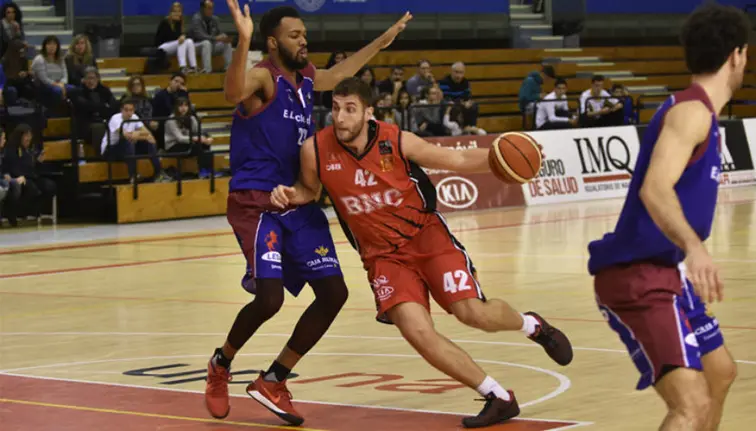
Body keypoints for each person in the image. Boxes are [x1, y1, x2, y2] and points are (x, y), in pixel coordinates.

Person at [270, 77, 573, 429]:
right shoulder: (316, 150)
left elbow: (457, 158)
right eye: (336, 108)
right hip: (383, 257)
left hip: (427, 239)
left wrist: (504, 158)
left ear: (368, 113)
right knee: (417, 332)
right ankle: (497, 396)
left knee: (473, 313)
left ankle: (533, 326)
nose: (340, 117)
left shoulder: (397, 140)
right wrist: (290, 195)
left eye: (350, 109)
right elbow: (309, 189)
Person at [204, 1, 410, 425]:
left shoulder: (305, 80)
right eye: (295, 35)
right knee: (269, 299)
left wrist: (382, 41)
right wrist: (242, 40)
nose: (304, 40)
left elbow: (338, 74)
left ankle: (273, 379)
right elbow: (232, 92)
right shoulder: (263, 76)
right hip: (258, 201)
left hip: (298, 199)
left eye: (304, 34)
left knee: (334, 293)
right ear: (273, 42)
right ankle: (221, 363)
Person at [587, 4, 749, 430]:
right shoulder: (691, 112)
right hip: (638, 275)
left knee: (720, 373)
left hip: (666, 270)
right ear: (737, 55)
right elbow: (655, 188)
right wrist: (695, 247)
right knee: (690, 405)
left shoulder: (700, 112)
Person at [101, 98, 169, 184]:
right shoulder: (115, 118)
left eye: (131, 110)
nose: (129, 113)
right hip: (110, 150)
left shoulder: (134, 117)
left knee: (150, 142)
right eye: (126, 110)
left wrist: (139, 134)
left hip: (127, 149)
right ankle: (133, 176)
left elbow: (148, 133)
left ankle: (158, 173)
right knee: (129, 142)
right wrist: (141, 136)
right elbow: (126, 135)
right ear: (121, 110)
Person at [189, 0, 232, 74]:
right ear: (202, 9)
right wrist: (215, 38)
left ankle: (229, 69)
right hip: (196, 46)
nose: (211, 10)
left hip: (211, 45)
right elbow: (200, 36)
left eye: (212, 8)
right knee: (206, 43)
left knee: (226, 43)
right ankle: (207, 71)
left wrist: (223, 37)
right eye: (209, 8)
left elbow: (218, 33)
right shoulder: (196, 18)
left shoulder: (215, 19)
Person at [156, 2, 198, 74]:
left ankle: (193, 67)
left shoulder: (180, 22)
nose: (177, 13)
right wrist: (182, 37)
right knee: (182, 41)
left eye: (179, 12)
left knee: (189, 41)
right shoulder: (165, 22)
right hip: (162, 47)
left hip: (175, 45)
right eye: (174, 11)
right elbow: (168, 38)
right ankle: (182, 67)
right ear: (170, 13)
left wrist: (184, 36)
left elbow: (187, 35)